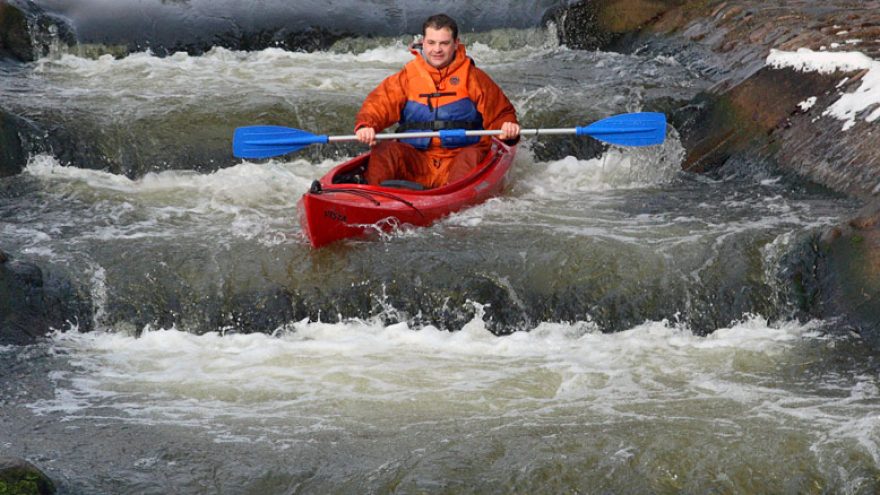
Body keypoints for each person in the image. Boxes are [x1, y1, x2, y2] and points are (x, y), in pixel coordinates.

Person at [354, 14, 521, 189]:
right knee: (384, 150)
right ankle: (376, 197)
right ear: (423, 43)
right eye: (431, 43)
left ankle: (455, 196)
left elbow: (502, 114)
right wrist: (366, 125)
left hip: (460, 156)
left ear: (456, 44)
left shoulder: (473, 77)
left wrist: (507, 128)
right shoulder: (406, 77)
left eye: (444, 43)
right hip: (417, 159)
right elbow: (378, 104)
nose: (437, 49)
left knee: (471, 157)